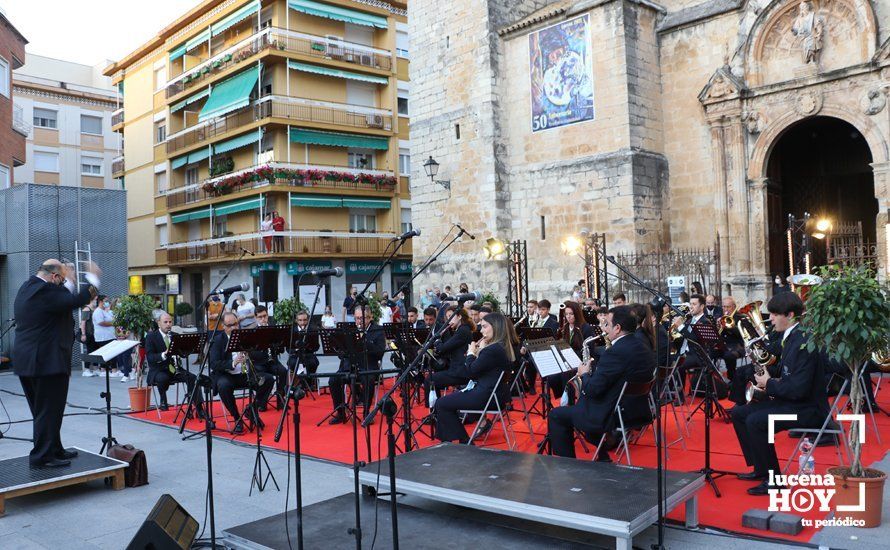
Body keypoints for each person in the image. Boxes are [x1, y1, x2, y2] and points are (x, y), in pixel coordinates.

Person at [731, 292, 827, 495]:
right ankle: (761, 468)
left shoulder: (803, 341)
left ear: (790, 315)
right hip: (792, 403)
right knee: (739, 413)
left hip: (808, 410)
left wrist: (769, 384)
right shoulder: (791, 336)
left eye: (774, 314)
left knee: (756, 421)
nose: (771, 318)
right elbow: (786, 370)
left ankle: (774, 481)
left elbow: (798, 389)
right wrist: (765, 373)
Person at [14, 259, 98, 467]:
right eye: (61, 279)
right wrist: (93, 278)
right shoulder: (45, 291)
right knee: (49, 409)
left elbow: (61, 300)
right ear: (54, 277)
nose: (63, 284)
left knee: (43, 410)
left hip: (30, 361)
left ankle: (54, 448)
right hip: (46, 361)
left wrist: (67, 279)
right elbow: (76, 300)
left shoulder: (28, 287)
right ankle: (43, 456)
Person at [546, 306, 655, 460]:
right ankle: (603, 456)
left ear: (617, 328)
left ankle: (567, 465)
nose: (604, 329)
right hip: (637, 409)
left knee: (556, 415)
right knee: (579, 409)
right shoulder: (642, 346)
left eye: (607, 325)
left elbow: (592, 390)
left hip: (613, 413)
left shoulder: (616, 352)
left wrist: (584, 375)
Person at [434, 312, 516, 443]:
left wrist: (472, 353)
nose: (481, 330)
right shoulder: (499, 347)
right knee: (447, 402)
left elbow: (470, 372)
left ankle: (464, 441)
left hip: (487, 396)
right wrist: (480, 352)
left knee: (442, 404)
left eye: (484, 327)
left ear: (495, 327)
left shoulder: (492, 350)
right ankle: (460, 440)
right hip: (495, 394)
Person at [209, 312, 274, 434]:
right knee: (223, 385)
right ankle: (237, 418)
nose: (234, 327)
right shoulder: (217, 340)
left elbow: (257, 354)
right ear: (223, 326)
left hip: (245, 374)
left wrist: (250, 352)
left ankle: (252, 410)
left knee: (268, 379)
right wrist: (232, 363)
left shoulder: (244, 336)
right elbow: (214, 363)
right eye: (230, 325)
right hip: (227, 375)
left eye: (235, 324)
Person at [328, 306, 386, 423]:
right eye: (357, 318)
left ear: (370, 317)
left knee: (368, 379)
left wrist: (364, 341)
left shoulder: (378, 330)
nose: (359, 321)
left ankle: (366, 413)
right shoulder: (350, 330)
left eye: (362, 318)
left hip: (368, 366)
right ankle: (340, 413)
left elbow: (379, 353)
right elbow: (343, 353)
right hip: (350, 366)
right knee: (333, 380)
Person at [146, 313, 204, 415]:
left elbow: (182, 355)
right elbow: (150, 357)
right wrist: (164, 354)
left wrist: (187, 349)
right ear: (159, 323)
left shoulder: (175, 335)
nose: (168, 324)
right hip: (159, 369)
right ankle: (163, 400)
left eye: (170, 322)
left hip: (175, 368)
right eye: (165, 322)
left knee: (193, 378)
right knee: (162, 378)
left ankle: (199, 408)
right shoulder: (151, 337)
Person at [250, 305, 290, 409]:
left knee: (283, 371)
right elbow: (252, 353)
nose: (263, 319)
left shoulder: (274, 328)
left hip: (272, 362)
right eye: (260, 317)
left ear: (268, 315)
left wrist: (277, 345)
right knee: (267, 379)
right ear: (255, 317)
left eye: (265, 316)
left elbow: (281, 349)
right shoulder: (252, 332)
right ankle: (262, 402)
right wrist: (263, 347)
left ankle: (281, 397)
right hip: (259, 364)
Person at [288, 309, 320, 391]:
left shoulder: (313, 329)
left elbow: (317, 347)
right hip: (296, 355)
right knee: (292, 363)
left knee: (313, 363)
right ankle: (299, 384)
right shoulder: (291, 330)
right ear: (296, 320)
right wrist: (295, 349)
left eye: (305, 320)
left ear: (308, 320)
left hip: (308, 354)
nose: (302, 323)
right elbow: (288, 349)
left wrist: (309, 346)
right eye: (300, 320)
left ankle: (308, 383)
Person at [92, 295, 120, 377]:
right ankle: (112, 371)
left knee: (109, 353)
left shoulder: (105, 311)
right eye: (106, 301)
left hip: (109, 336)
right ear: (101, 301)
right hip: (103, 337)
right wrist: (113, 323)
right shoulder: (98, 311)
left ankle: (107, 370)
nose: (108, 303)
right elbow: (101, 322)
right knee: (108, 354)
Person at [79, 297, 99, 377]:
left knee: (96, 351)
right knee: (90, 351)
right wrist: (83, 334)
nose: (96, 301)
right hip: (88, 333)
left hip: (95, 334)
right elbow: (83, 322)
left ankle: (95, 368)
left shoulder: (95, 309)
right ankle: (86, 369)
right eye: (95, 300)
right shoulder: (87, 309)